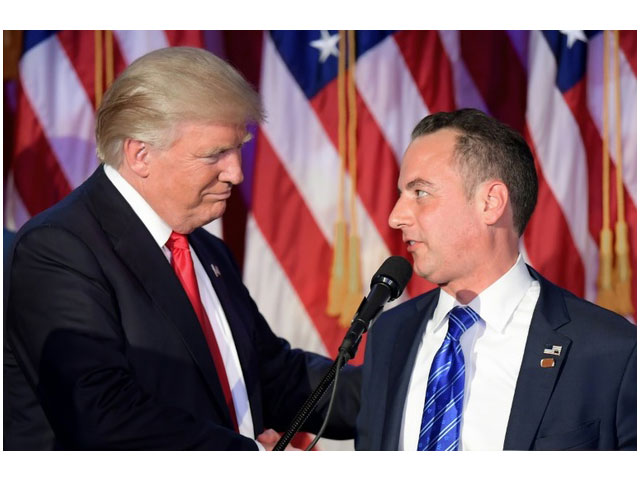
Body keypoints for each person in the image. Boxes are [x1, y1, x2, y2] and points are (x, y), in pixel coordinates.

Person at [5, 47, 359, 450]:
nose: (237, 172)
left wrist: (399, 388)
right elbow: (102, 415)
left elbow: (272, 376)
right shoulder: (59, 249)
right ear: (140, 155)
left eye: (238, 148)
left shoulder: (205, 250)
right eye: (216, 154)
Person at [355, 109, 636, 451]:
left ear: (491, 202)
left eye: (420, 193)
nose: (395, 216)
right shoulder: (391, 333)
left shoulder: (611, 350)